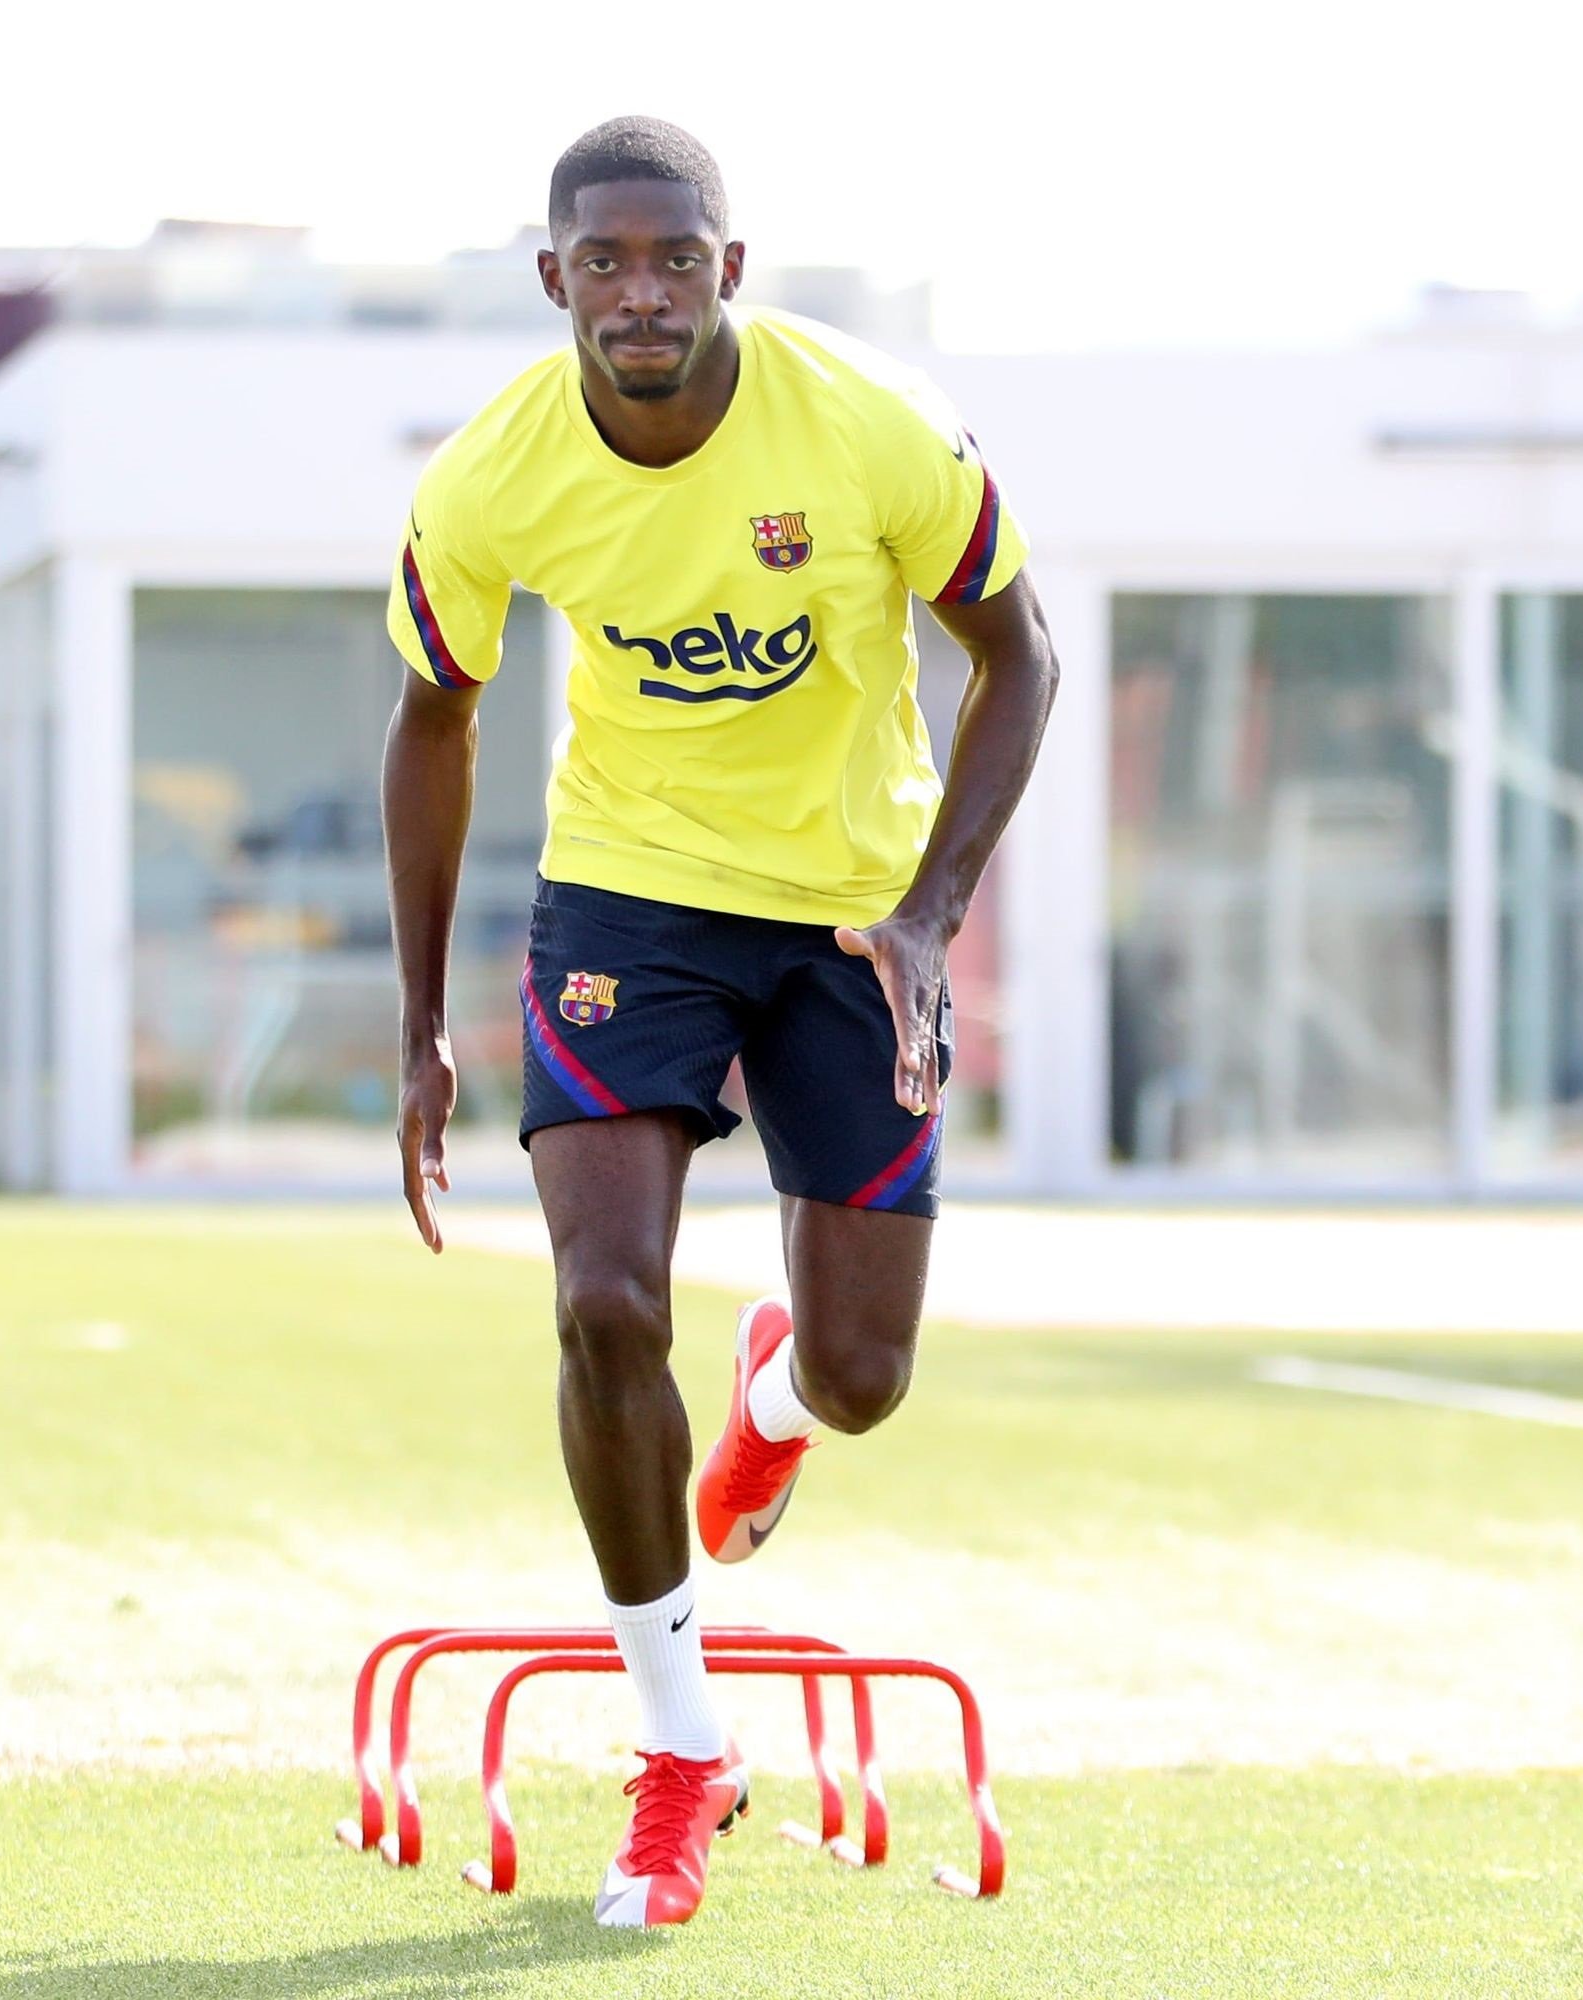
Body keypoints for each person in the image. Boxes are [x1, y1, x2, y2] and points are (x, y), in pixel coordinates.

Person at [380, 114, 1060, 1929]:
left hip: (848, 910)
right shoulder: (491, 479)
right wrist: (422, 1023)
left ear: (730, 270)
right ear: (553, 285)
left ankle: (771, 1393)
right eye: (602, 262)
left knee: (863, 1382)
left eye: (675, 258)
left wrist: (929, 913)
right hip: (629, 896)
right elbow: (433, 722)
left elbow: (1023, 655)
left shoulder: (870, 428)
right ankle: (683, 1749)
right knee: (604, 1304)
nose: (641, 292)